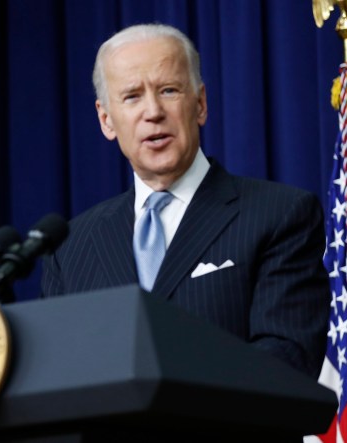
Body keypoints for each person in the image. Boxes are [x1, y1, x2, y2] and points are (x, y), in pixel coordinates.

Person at [40, 23, 330, 378]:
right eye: (132, 96)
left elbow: (287, 360)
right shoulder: (70, 248)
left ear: (201, 104)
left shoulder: (280, 215)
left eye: (169, 90)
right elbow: (60, 375)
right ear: (106, 120)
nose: (153, 111)